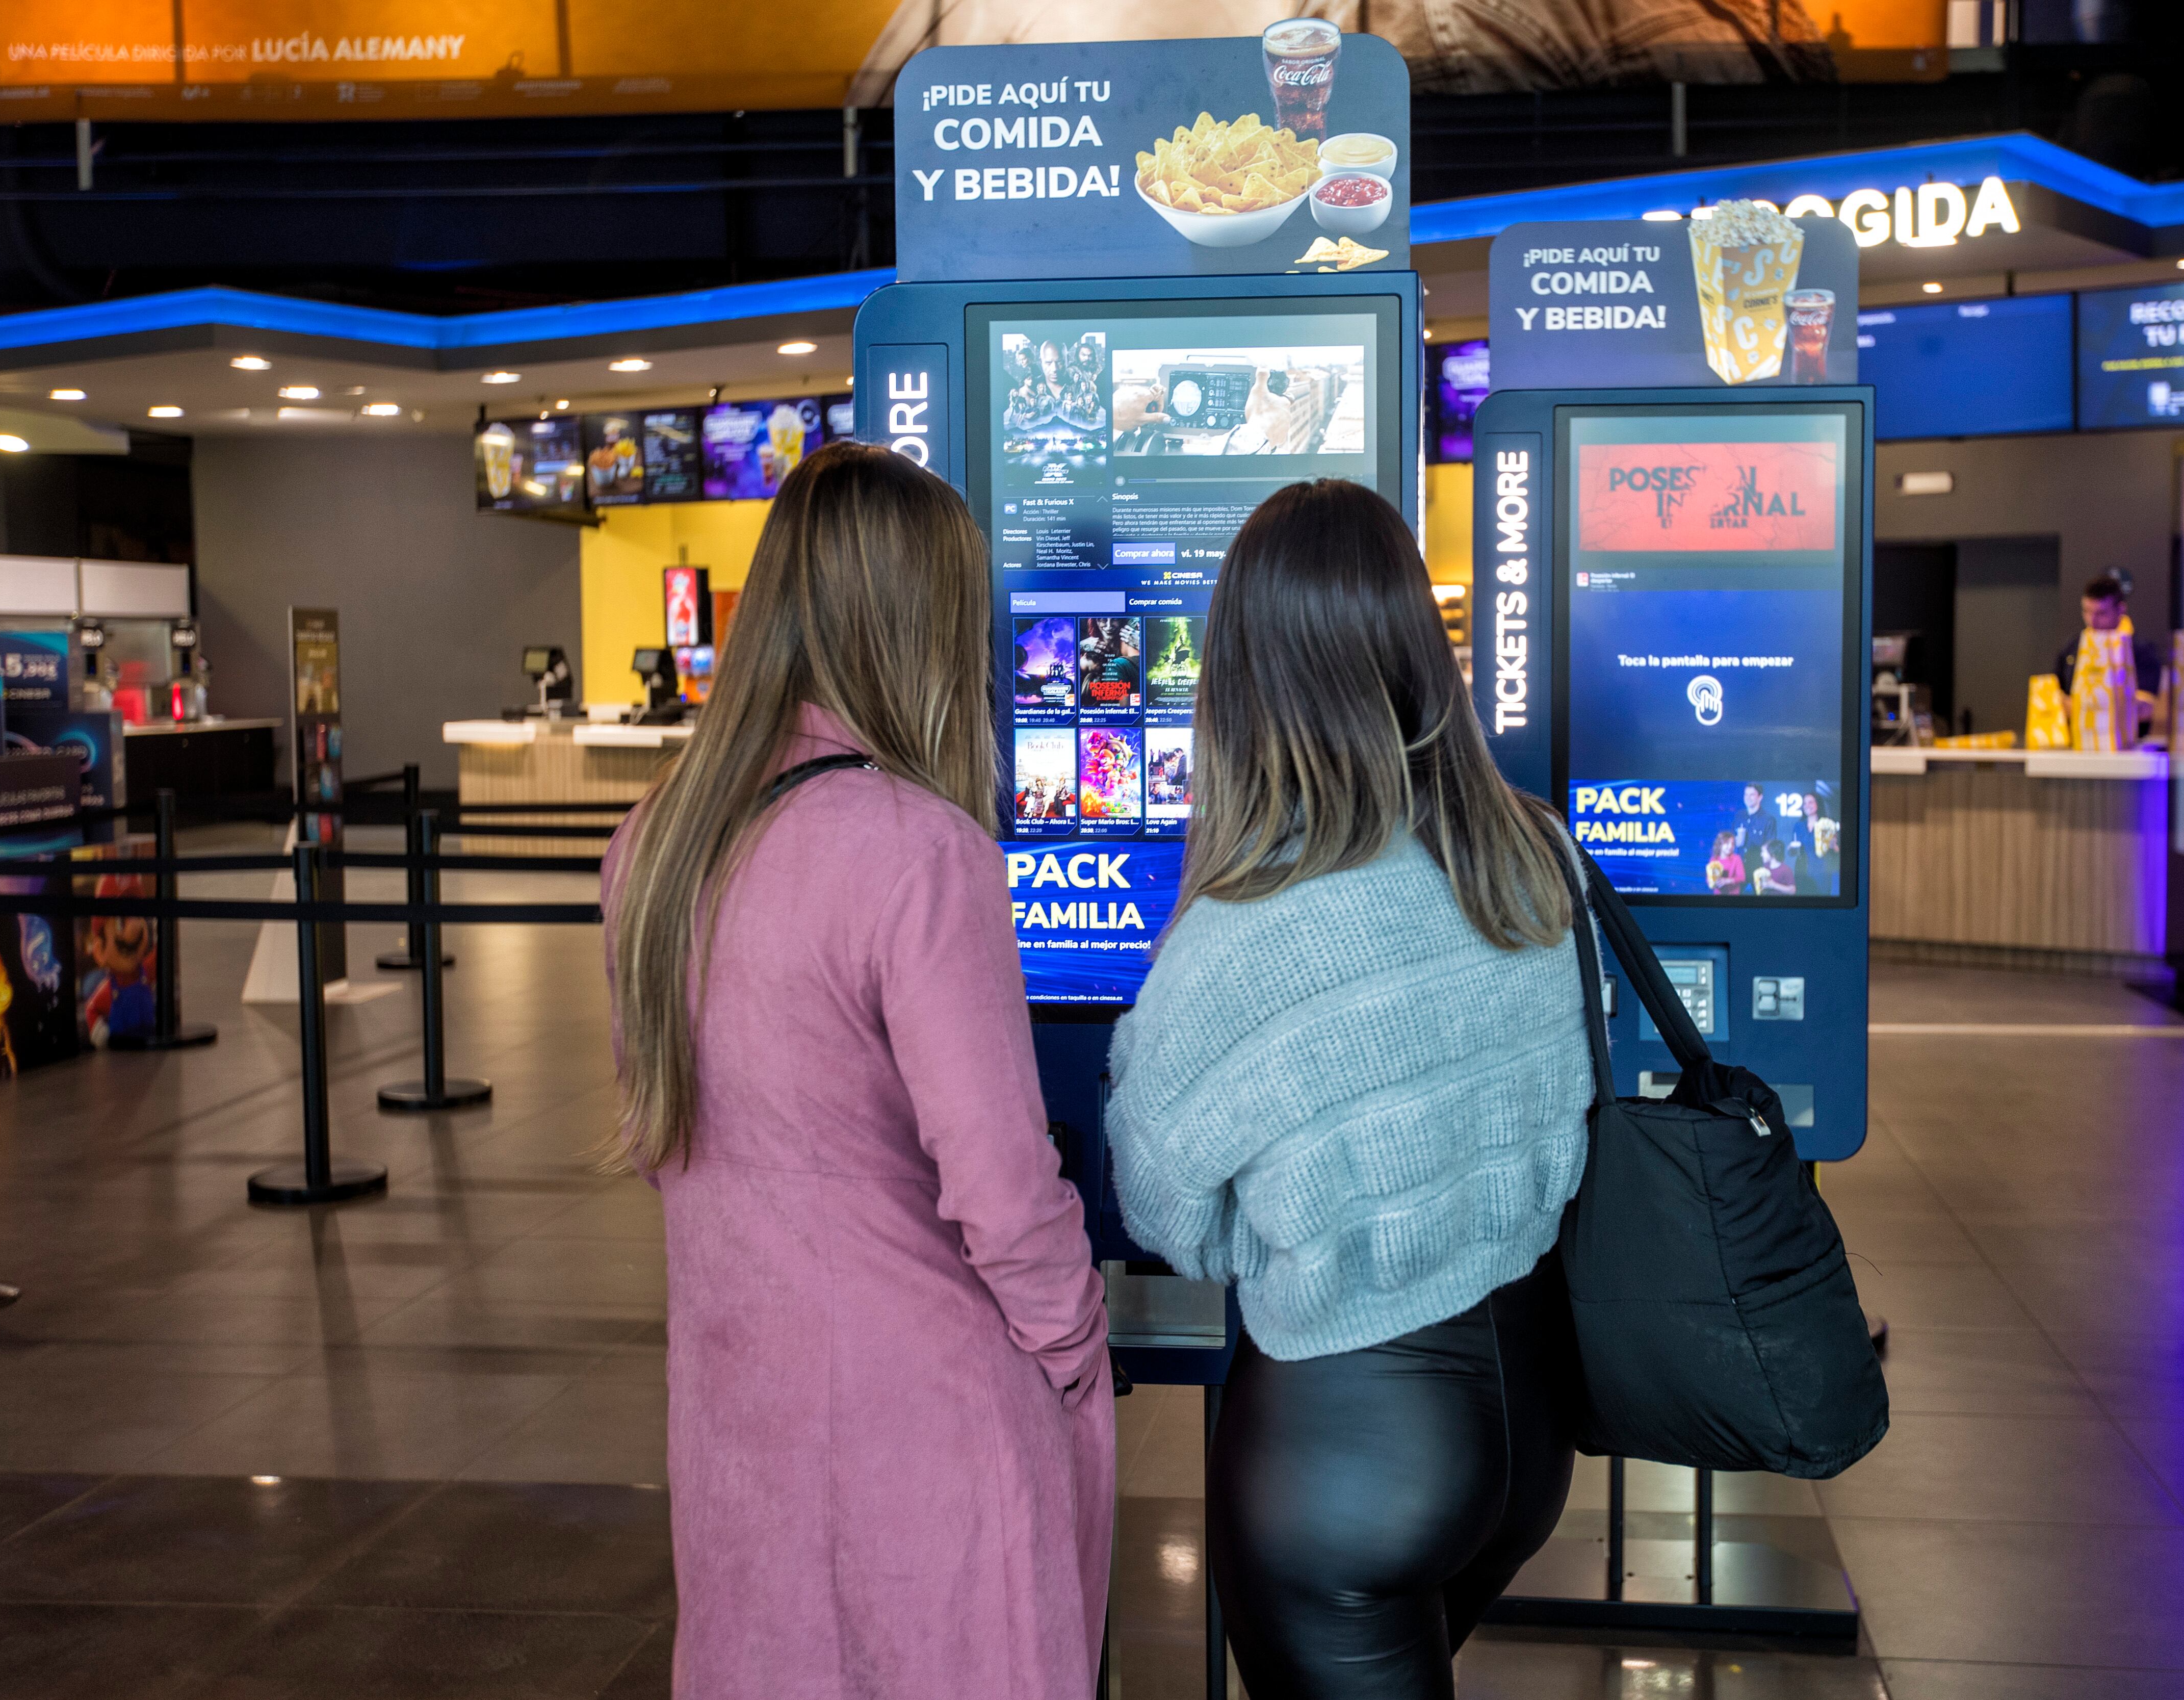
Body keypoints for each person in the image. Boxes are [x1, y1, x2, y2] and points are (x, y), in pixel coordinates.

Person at [602, 442, 1113, 1698]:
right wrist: (1076, 1344)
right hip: (932, 1423)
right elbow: (1000, 1185)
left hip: (737, 1419)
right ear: (921, 626)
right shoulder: (918, 850)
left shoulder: (650, 848)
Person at [1105, 478, 1592, 1699]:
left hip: (1344, 1456)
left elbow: (1169, 1218)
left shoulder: (1244, 929)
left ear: (1241, 675)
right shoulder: (1534, 860)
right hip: (1528, 1428)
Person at [2054, 573, 2166, 733]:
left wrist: (2081, 707)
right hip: (2078, 745)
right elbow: (2053, 699)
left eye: (2101, 614)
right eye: (2086, 611)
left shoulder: (2141, 650)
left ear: (2121, 609)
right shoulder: (2073, 648)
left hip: (2128, 749)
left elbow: (2144, 709)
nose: (2092, 620)